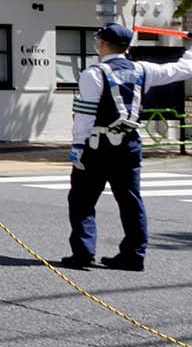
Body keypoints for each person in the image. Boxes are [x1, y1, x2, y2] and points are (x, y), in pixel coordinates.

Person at [65, 22, 192, 272]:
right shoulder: (143, 70)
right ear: (128, 46)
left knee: (82, 199)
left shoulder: (94, 73)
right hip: (129, 143)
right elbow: (184, 68)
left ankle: (83, 253)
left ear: (101, 43)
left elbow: (85, 117)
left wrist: (77, 148)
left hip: (96, 145)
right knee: (130, 200)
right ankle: (134, 255)